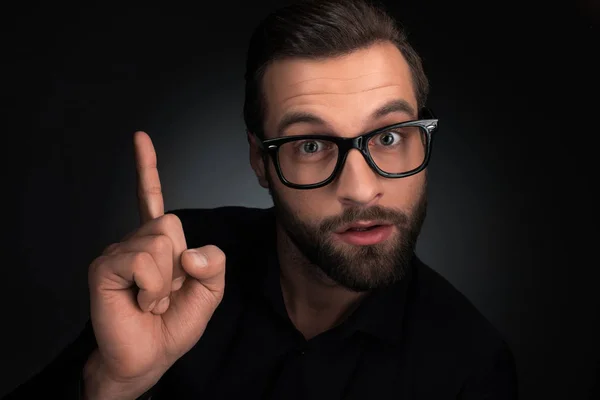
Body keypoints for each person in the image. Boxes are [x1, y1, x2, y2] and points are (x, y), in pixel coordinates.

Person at [4, 0, 518, 399]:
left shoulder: (471, 367)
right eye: (310, 145)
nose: (360, 190)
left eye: (387, 136)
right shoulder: (174, 270)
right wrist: (110, 385)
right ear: (259, 161)